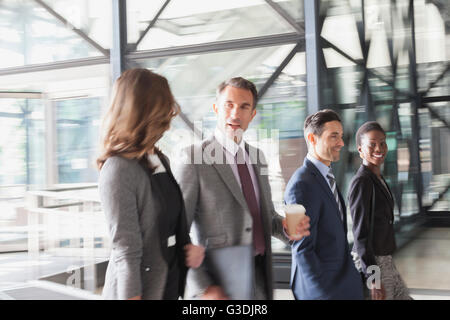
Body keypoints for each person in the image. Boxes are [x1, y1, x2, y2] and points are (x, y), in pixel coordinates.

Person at [173, 77, 310, 300]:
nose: (235, 114)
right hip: (217, 285)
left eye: (244, 106)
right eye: (229, 105)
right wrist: (204, 287)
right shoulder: (193, 158)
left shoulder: (258, 157)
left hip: (259, 278)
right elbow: (178, 231)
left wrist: (286, 228)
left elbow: (266, 218)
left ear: (252, 114)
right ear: (216, 108)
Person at [97, 68, 205, 300]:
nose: (170, 114)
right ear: (144, 110)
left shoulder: (158, 158)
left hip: (167, 286)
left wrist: (187, 248)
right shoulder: (117, 170)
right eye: (164, 105)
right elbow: (126, 251)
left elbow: (169, 221)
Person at [284, 109, 364, 300]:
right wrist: (324, 292)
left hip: (343, 282)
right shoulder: (300, 185)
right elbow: (301, 247)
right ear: (312, 138)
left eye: (342, 136)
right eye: (334, 136)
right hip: (324, 290)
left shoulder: (326, 177)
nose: (342, 143)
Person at [348, 121, 412, 300]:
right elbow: (360, 235)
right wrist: (374, 278)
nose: (380, 148)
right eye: (372, 144)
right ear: (360, 149)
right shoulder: (362, 182)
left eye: (383, 143)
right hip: (374, 261)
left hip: (385, 259)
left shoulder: (378, 178)